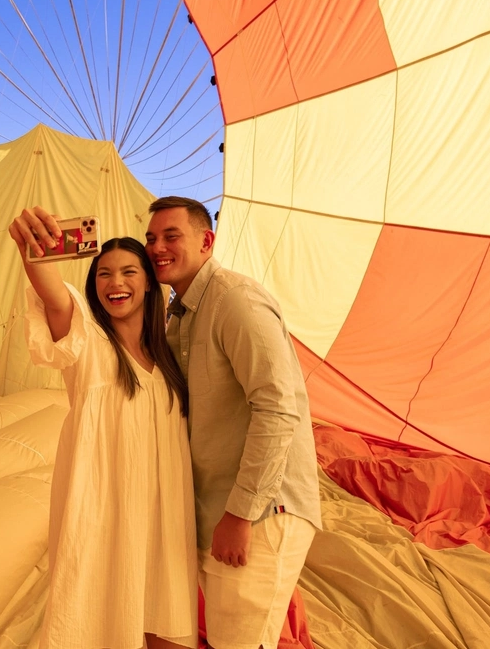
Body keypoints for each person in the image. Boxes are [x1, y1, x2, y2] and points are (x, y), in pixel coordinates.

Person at [9, 206, 199, 649]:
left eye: (129, 271)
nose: (116, 283)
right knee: (101, 614)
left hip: (166, 518)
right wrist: (35, 250)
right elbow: (54, 294)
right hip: (105, 514)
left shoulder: (173, 354)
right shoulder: (88, 340)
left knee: (167, 619)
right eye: (104, 275)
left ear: (150, 280)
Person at [144, 197, 322, 649]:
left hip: (261, 512)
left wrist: (240, 515)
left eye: (170, 236)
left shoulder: (233, 300)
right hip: (219, 509)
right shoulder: (178, 315)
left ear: (206, 242)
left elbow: (279, 408)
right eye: (150, 238)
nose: (157, 247)